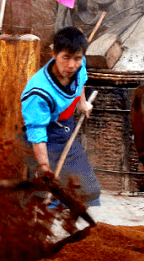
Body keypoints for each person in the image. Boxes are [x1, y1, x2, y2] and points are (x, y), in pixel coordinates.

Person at [20, 26, 101, 209]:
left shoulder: (79, 66)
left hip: (67, 128)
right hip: (45, 137)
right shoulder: (37, 93)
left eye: (77, 58)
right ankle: (37, 231)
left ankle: (79, 233)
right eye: (66, 57)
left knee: (88, 190)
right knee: (50, 197)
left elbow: (81, 79)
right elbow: (37, 136)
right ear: (54, 53)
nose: (72, 65)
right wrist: (46, 171)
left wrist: (82, 103)